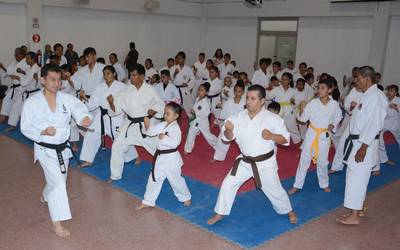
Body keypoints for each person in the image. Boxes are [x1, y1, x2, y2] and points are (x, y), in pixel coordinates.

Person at [207, 85, 297, 225]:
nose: (248, 101)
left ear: (262, 101)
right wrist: (229, 131)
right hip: (244, 162)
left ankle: (289, 210)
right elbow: (227, 138)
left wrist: (272, 136)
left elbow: (286, 139)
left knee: (275, 190)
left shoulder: (273, 119)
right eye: (247, 98)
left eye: (253, 99)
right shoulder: (238, 116)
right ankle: (219, 213)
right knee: (227, 184)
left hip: (265, 163)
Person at [20, 63, 92, 237]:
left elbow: (80, 109)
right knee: (59, 184)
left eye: (59, 80)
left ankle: (45, 196)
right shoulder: (32, 102)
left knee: (60, 179)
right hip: (45, 149)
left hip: (62, 149)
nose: (56, 83)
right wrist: (42, 132)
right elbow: (25, 127)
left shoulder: (66, 99)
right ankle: (56, 223)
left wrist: (84, 119)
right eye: (52, 79)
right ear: (43, 80)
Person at [339, 66, 388, 225]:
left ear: (367, 79)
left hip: (364, 144)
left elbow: (374, 124)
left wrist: (363, 148)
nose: (355, 81)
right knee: (354, 178)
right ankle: (356, 210)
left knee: (357, 179)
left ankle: (354, 216)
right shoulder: (366, 95)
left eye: (358, 78)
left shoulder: (376, 97)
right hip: (357, 141)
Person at [107, 64, 165, 182]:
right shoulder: (127, 89)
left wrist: (152, 112)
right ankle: (115, 175)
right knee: (117, 146)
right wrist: (112, 103)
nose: (131, 78)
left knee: (160, 150)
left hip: (145, 125)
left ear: (142, 76)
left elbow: (160, 105)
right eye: (130, 75)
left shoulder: (150, 90)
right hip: (130, 125)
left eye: (134, 75)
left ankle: (165, 171)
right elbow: (117, 107)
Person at [288, 78, 342, 195]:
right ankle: (297, 185)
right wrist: (302, 109)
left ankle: (324, 183)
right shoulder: (313, 103)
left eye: (323, 88)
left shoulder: (334, 104)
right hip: (311, 135)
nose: (320, 90)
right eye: (319, 88)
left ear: (330, 90)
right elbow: (302, 119)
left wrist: (333, 125)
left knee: (322, 162)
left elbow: (338, 116)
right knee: (304, 160)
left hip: (324, 136)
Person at [136, 102, 192, 210]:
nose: (165, 115)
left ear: (176, 116)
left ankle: (186, 197)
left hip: (171, 159)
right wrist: (147, 125)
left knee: (176, 180)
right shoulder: (163, 124)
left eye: (168, 114)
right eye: (165, 113)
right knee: (153, 178)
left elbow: (176, 143)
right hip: (161, 158)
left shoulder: (176, 128)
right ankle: (148, 201)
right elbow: (151, 132)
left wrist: (164, 138)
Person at [79, 65, 128, 168]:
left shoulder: (121, 87)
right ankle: (88, 160)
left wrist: (116, 107)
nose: (106, 76)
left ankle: (133, 156)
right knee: (91, 135)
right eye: (104, 74)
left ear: (114, 74)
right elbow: (92, 104)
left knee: (120, 139)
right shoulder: (99, 87)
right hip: (101, 116)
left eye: (108, 73)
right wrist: (84, 98)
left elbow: (125, 103)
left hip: (116, 116)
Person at [213, 82, 246, 162]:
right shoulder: (229, 101)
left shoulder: (245, 102)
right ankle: (218, 157)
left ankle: (247, 157)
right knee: (223, 139)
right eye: (235, 91)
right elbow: (224, 111)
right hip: (229, 123)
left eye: (239, 91)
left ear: (243, 92)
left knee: (244, 142)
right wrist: (222, 120)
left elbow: (247, 114)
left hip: (240, 124)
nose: (237, 93)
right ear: (233, 91)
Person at [184, 82, 218, 154]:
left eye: (202, 90)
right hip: (196, 121)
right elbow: (195, 108)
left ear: (206, 93)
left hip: (203, 122)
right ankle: (188, 149)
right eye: (199, 89)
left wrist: (195, 112)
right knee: (191, 133)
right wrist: (193, 111)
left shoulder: (206, 102)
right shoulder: (198, 99)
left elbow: (206, 113)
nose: (199, 91)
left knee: (208, 137)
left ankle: (218, 144)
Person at [0, 47, 29, 128]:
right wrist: (2, 67)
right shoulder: (15, 63)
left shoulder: (26, 63)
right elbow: (8, 72)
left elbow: (29, 75)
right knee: (6, 100)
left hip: (21, 88)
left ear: (22, 55)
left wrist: (17, 76)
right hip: (13, 87)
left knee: (16, 105)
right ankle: (5, 117)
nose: (16, 56)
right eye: (15, 55)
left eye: (17, 55)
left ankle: (13, 124)